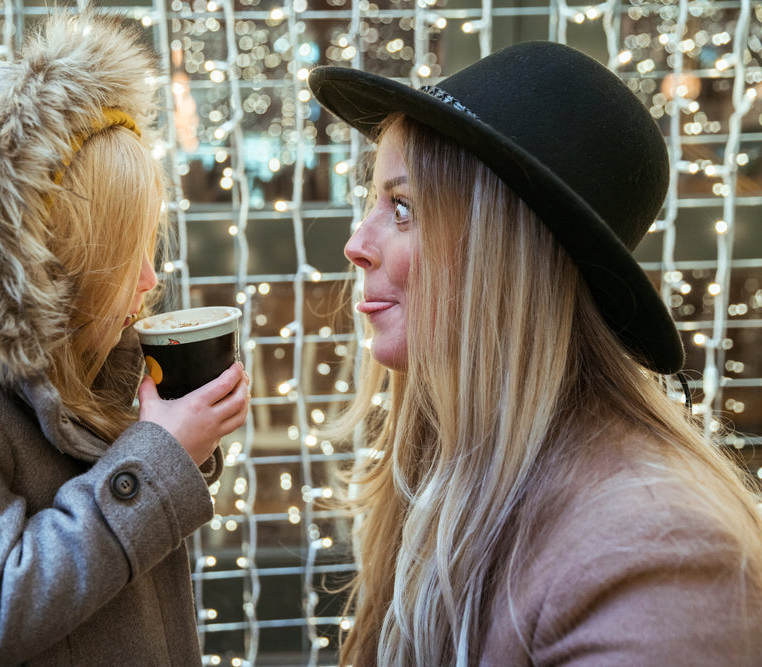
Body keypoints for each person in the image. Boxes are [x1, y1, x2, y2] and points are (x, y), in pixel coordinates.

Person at [309, 42, 762, 665]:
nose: (357, 244)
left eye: (405, 208)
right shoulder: (446, 462)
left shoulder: (661, 554)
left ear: (508, 255)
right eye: (374, 202)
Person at [0, 12, 250, 665]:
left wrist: (175, 432)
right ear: (43, 260)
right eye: (120, 253)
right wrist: (157, 456)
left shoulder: (74, 363)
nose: (149, 278)